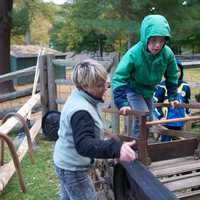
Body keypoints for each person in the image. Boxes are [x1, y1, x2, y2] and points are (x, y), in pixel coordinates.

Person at [53, 59, 136, 200]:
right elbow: (84, 144)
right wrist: (116, 148)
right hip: (72, 168)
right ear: (84, 86)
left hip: (65, 162)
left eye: (105, 83)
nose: (104, 88)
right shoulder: (81, 110)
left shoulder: (83, 97)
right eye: (99, 85)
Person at [112, 14, 179, 139]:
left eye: (161, 41)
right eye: (153, 40)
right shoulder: (134, 53)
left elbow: (172, 75)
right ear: (145, 38)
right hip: (134, 89)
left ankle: (141, 145)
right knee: (143, 116)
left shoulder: (167, 53)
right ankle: (137, 148)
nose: (157, 45)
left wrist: (172, 97)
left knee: (149, 119)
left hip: (149, 90)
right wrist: (121, 102)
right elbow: (119, 77)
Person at [153, 60, 191, 141]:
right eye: (172, 71)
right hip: (167, 121)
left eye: (178, 71)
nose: (176, 73)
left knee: (180, 143)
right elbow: (155, 103)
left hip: (181, 120)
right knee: (166, 143)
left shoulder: (185, 86)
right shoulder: (162, 86)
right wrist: (160, 117)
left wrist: (187, 113)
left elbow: (187, 101)